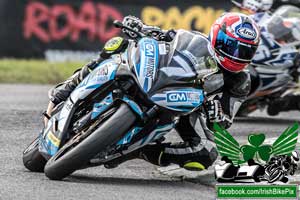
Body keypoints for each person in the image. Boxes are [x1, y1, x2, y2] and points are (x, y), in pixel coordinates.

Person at [44, 13, 260, 171]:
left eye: (245, 50)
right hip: (160, 78)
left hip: (189, 107)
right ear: (217, 36)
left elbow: (224, 123)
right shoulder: (194, 39)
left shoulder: (240, 82)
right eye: (232, 47)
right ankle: (67, 88)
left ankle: (138, 150)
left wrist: (217, 115)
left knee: (207, 154)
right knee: (118, 44)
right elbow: (163, 35)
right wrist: (140, 26)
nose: (237, 55)